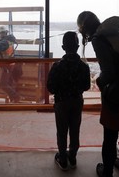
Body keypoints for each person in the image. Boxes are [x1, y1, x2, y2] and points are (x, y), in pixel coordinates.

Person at [77, 11, 119, 177]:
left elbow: (109, 71)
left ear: (85, 28)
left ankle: (107, 170)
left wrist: (99, 81)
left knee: (110, 134)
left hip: (116, 93)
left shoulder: (99, 39)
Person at [47, 31, 91, 171]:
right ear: (78, 47)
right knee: (74, 129)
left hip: (61, 102)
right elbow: (86, 86)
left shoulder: (57, 66)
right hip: (77, 101)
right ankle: (72, 157)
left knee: (62, 131)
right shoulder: (84, 67)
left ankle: (63, 159)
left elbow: (51, 88)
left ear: (63, 47)